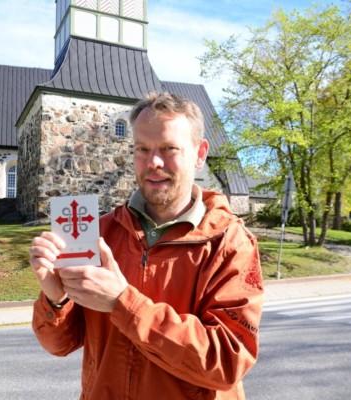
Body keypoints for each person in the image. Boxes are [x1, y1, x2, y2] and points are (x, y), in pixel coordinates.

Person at [29, 92, 263, 399]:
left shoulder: (229, 242)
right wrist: (56, 299)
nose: (154, 162)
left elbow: (227, 361)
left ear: (200, 153)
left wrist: (122, 302)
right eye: (143, 149)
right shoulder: (101, 232)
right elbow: (59, 345)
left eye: (168, 149)